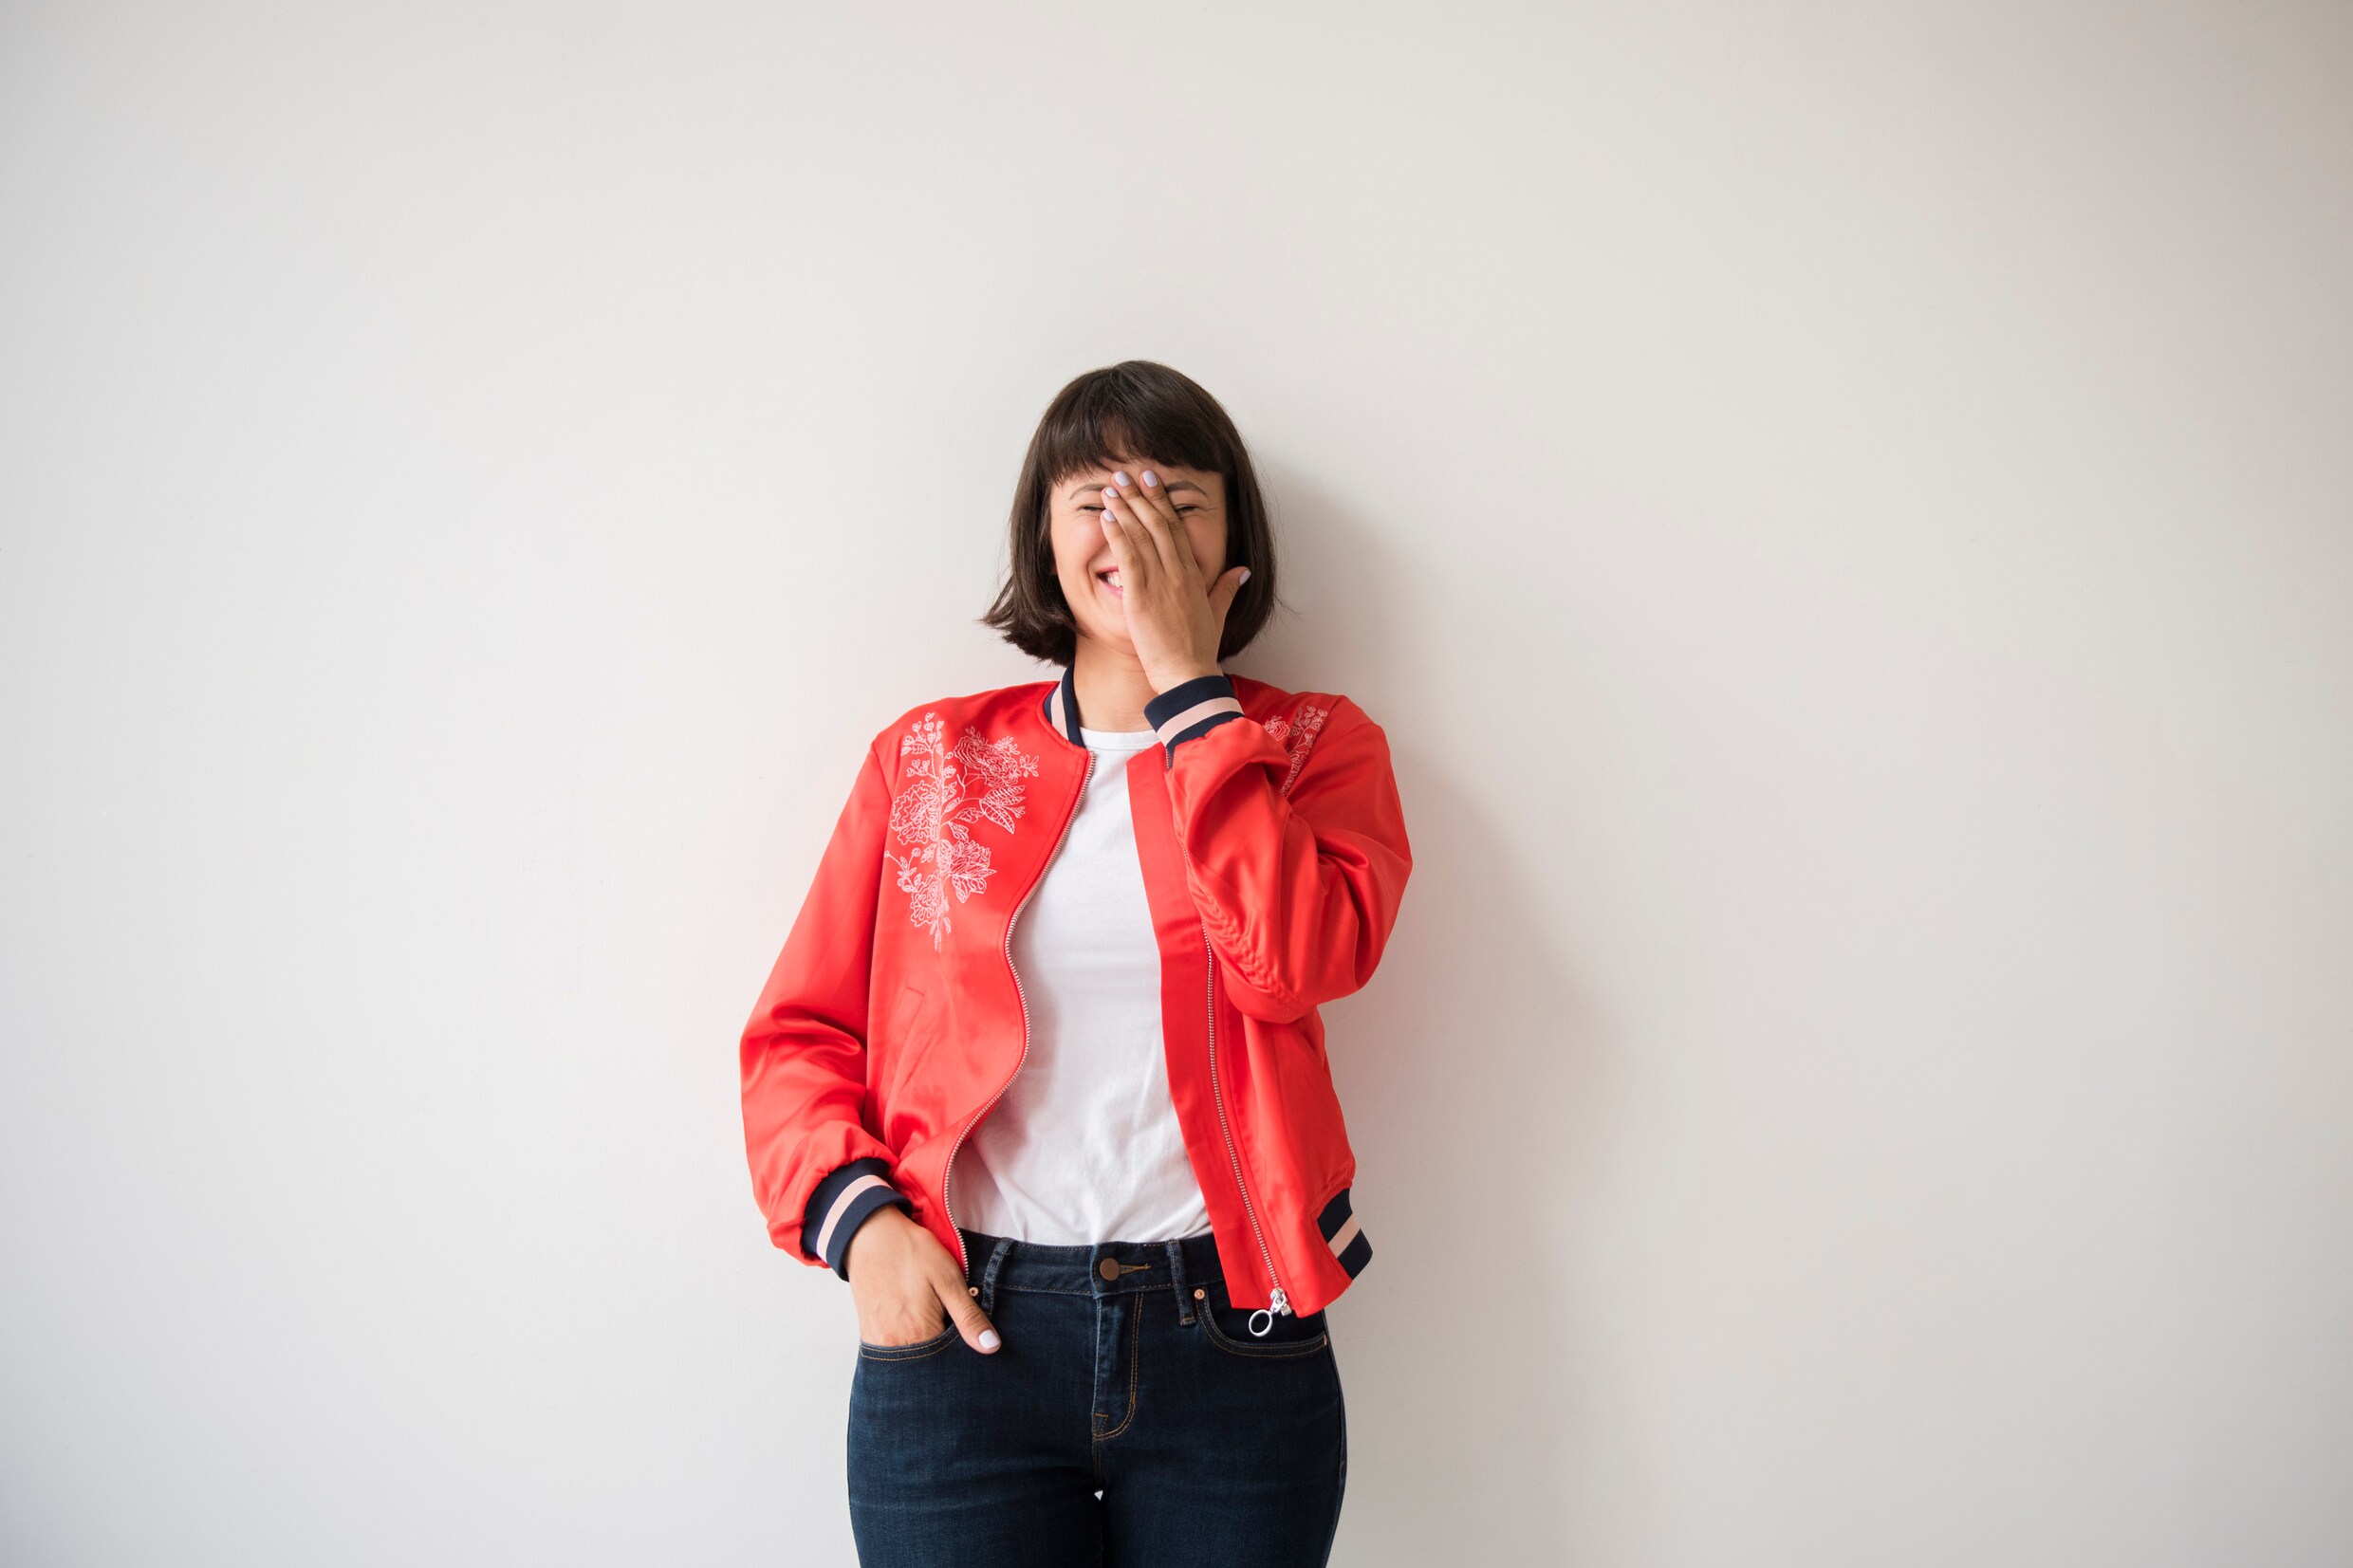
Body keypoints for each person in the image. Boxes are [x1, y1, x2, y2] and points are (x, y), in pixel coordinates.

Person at [738, 359, 1414, 1568]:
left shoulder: (1314, 747)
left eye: (1175, 501)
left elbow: (1289, 965)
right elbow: (799, 1035)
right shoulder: (928, 761)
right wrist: (864, 1229)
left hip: (1235, 1335)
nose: (1132, 527)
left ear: (1233, 544)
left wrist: (1191, 692)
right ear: (1043, 538)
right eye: (1095, 498)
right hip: (963, 1334)